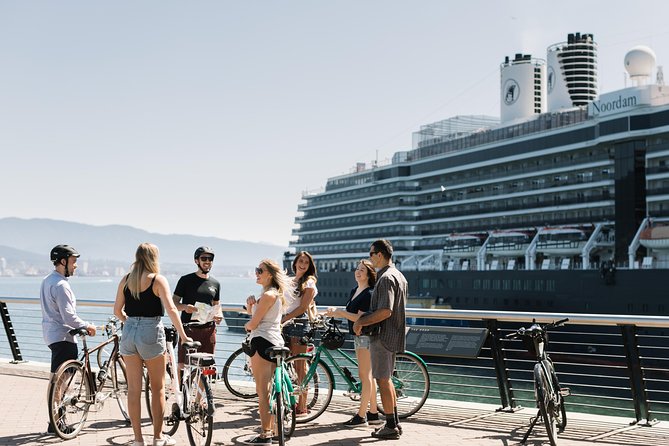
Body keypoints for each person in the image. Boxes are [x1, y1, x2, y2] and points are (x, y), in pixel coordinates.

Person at [113, 243, 192, 446]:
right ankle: (158, 437)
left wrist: (130, 324)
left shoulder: (126, 279)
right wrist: (183, 336)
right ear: (154, 258)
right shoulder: (157, 280)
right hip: (150, 331)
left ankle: (138, 439)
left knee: (133, 389)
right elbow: (173, 310)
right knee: (157, 387)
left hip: (129, 331)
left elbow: (117, 311)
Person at [354, 239, 408, 440]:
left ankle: (391, 427)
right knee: (387, 381)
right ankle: (393, 423)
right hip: (393, 334)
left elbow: (386, 310)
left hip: (383, 336)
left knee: (383, 381)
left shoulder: (385, 278)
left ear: (379, 254)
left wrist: (361, 321)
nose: (370, 258)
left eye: (370, 254)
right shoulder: (399, 276)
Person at [40, 244, 96, 435]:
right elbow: (68, 317)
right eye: (73, 261)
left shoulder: (47, 280)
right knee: (61, 382)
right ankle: (57, 422)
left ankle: (54, 421)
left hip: (51, 335)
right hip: (64, 336)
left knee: (56, 380)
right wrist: (87, 325)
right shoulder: (61, 285)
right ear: (62, 262)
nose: (76, 266)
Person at [243, 259, 294, 445]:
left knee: (262, 392)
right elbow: (262, 318)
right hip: (276, 342)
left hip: (261, 343)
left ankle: (265, 435)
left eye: (260, 270)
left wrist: (246, 325)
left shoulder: (267, 296)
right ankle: (273, 429)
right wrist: (251, 307)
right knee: (273, 389)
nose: (256, 273)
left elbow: (254, 324)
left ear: (269, 275)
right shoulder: (273, 295)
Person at [326, 259, 382, 427]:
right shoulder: (355, 290)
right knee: (367, 376)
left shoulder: (369, 293)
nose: (358, 272)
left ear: (369, 275)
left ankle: (361, 416)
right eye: (357, 269)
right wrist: (334, 313)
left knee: (365, 376)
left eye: (362, 270)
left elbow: (360, 318)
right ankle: (373, 414)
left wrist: (340, 312)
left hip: (366, 336)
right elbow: (351, 313)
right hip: (358, 337)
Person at [173, 246, 223, 373]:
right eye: (204, 258)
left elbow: (217, 305)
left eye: (210, 258)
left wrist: (219, 315)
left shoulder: (215, 284)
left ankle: (202, 393)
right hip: (189, 330)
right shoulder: (185, 280)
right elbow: (173, 303)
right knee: (182, 365)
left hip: (209, 330)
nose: (207, 261)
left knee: (206, 367)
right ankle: (180, 392)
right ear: (196, 261)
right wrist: (185, 307)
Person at [280, 251, 318, 416]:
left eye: (306, 262)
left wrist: (283, 319)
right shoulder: (289, 280)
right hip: (286, 325)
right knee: (286, 366)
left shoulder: (309, 282)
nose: (303, 264)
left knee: (300, 367)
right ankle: (290, 401)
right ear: (295, 263)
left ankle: (302, 407)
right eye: (300, 261)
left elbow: (302, 308)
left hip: (298, 325)